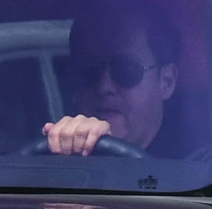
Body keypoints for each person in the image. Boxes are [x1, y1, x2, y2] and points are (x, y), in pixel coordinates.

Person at [42, 9, 187, 156]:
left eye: (125, 70)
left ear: (166, 82)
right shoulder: (56, 161)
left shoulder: (196, 168)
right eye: (89, 70)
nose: (103, 87)